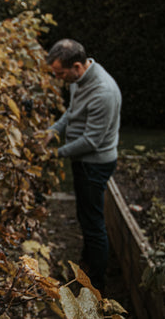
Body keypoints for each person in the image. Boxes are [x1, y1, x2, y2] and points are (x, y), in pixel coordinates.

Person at [44, 39, 122, 292]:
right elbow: (72, 112)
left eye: (60, 73)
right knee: (86, 217)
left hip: (94, 164)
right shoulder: (79, 80)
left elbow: (92, 140)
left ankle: (95, 285)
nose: (58, 77)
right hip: (83, 161)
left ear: (77, 65)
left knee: (93, 223)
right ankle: (86, 266)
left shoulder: (103, 92)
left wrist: (57, 153)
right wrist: (52, 131)